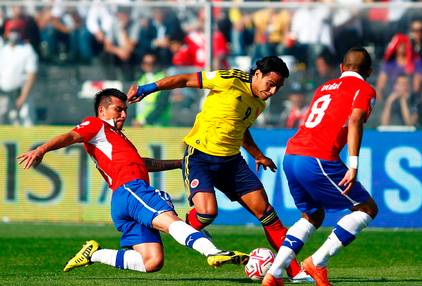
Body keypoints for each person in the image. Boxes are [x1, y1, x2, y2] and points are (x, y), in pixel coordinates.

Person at [17, 88, 248, 274]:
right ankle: (213, 252)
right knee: (170, 220)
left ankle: (93, 254)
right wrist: (42, 149)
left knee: (151, 261)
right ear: (102, 110)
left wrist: (181, 162)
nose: (124, 115)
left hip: (123, 200)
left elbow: (145, 163)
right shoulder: (96, 125)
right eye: (118, 110)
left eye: (125, 110)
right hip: (131, 189)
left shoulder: (117, 138)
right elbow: (70, 136)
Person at [127, 56, 311, 282]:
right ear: (257, 75)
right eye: (270, 84)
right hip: (200, 157)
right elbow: (185, 80)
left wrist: (258, 155)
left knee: (268, 215)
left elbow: (240, 129)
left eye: (278, 87)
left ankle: (295, 272)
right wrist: (147, 89)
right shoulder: (229, 79)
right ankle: (185, 225)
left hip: (232, 162)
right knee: (207, 213)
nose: (273, 91)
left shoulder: (259, 103)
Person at [262, 47, 379, 286]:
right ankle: (318, 262)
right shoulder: (364, 89)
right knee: (366, 208)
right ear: (369, 71)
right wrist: (353, 165)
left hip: (292, 154)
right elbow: (355, 119)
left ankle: (273, 274)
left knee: (312, 215)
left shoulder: (324, 87)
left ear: (341, 68)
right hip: (317, 157)